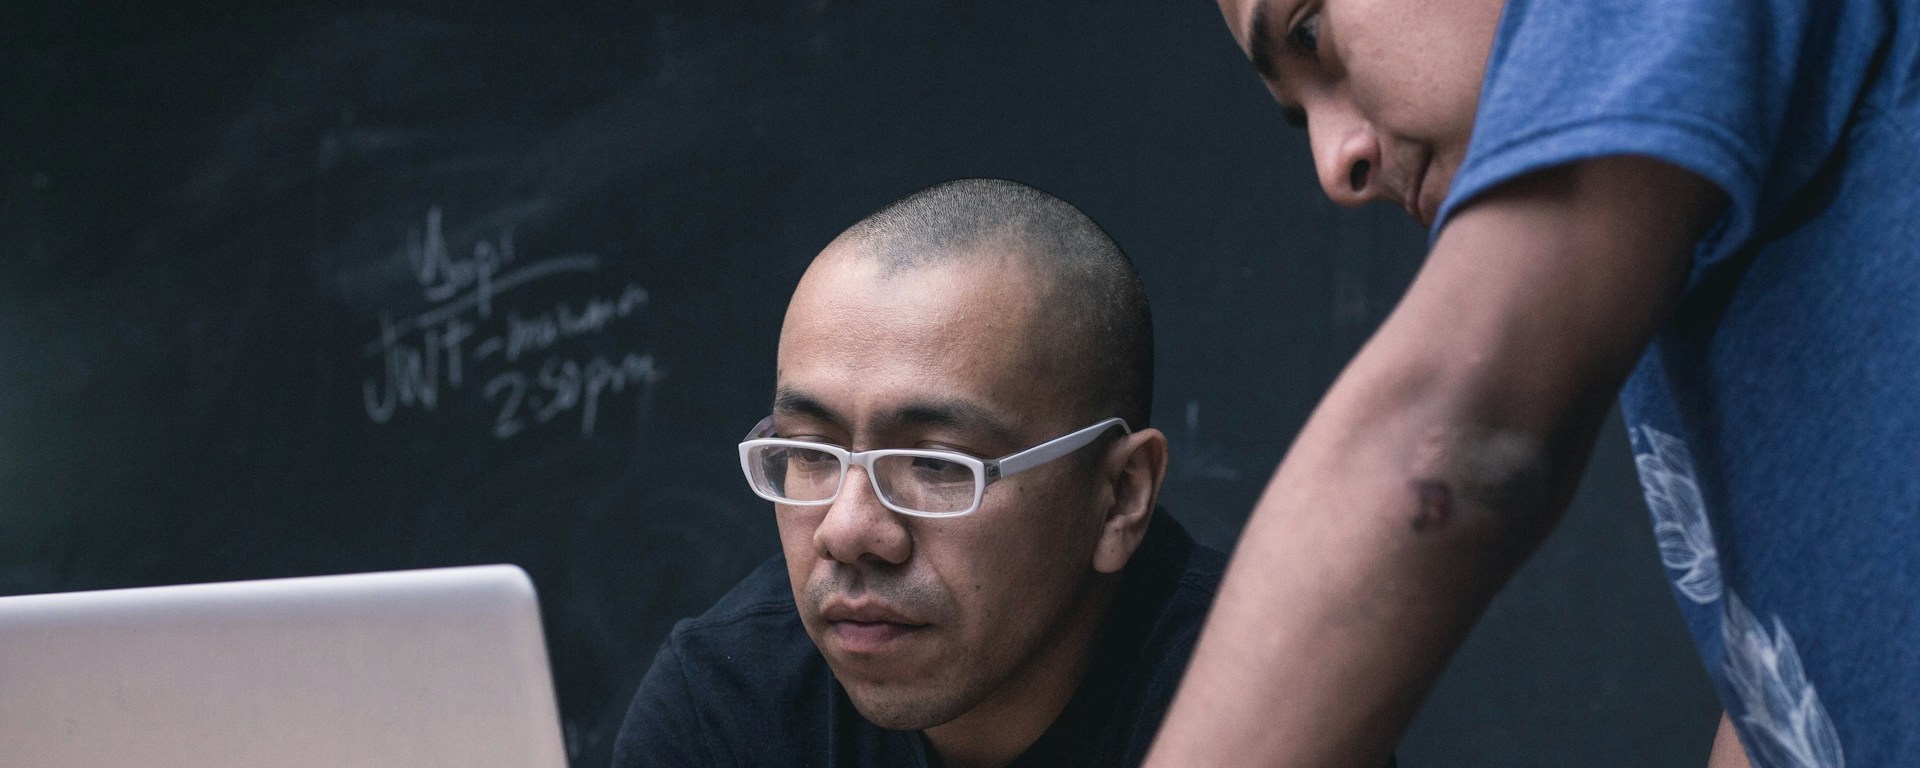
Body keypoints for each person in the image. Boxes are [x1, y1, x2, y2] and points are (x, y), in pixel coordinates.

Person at [1145, 0, 1918, 766]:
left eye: (1311, 32)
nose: (1332, 163)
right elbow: (1786, 684)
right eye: (1297, 115)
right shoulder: (1668, 220)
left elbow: (1450, 443)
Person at [612, 178, 1227, 768]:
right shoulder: (726, 710)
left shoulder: (1259, 699)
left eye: (936, 462)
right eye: (810, 453)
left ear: (1120, 496)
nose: (846, 531)